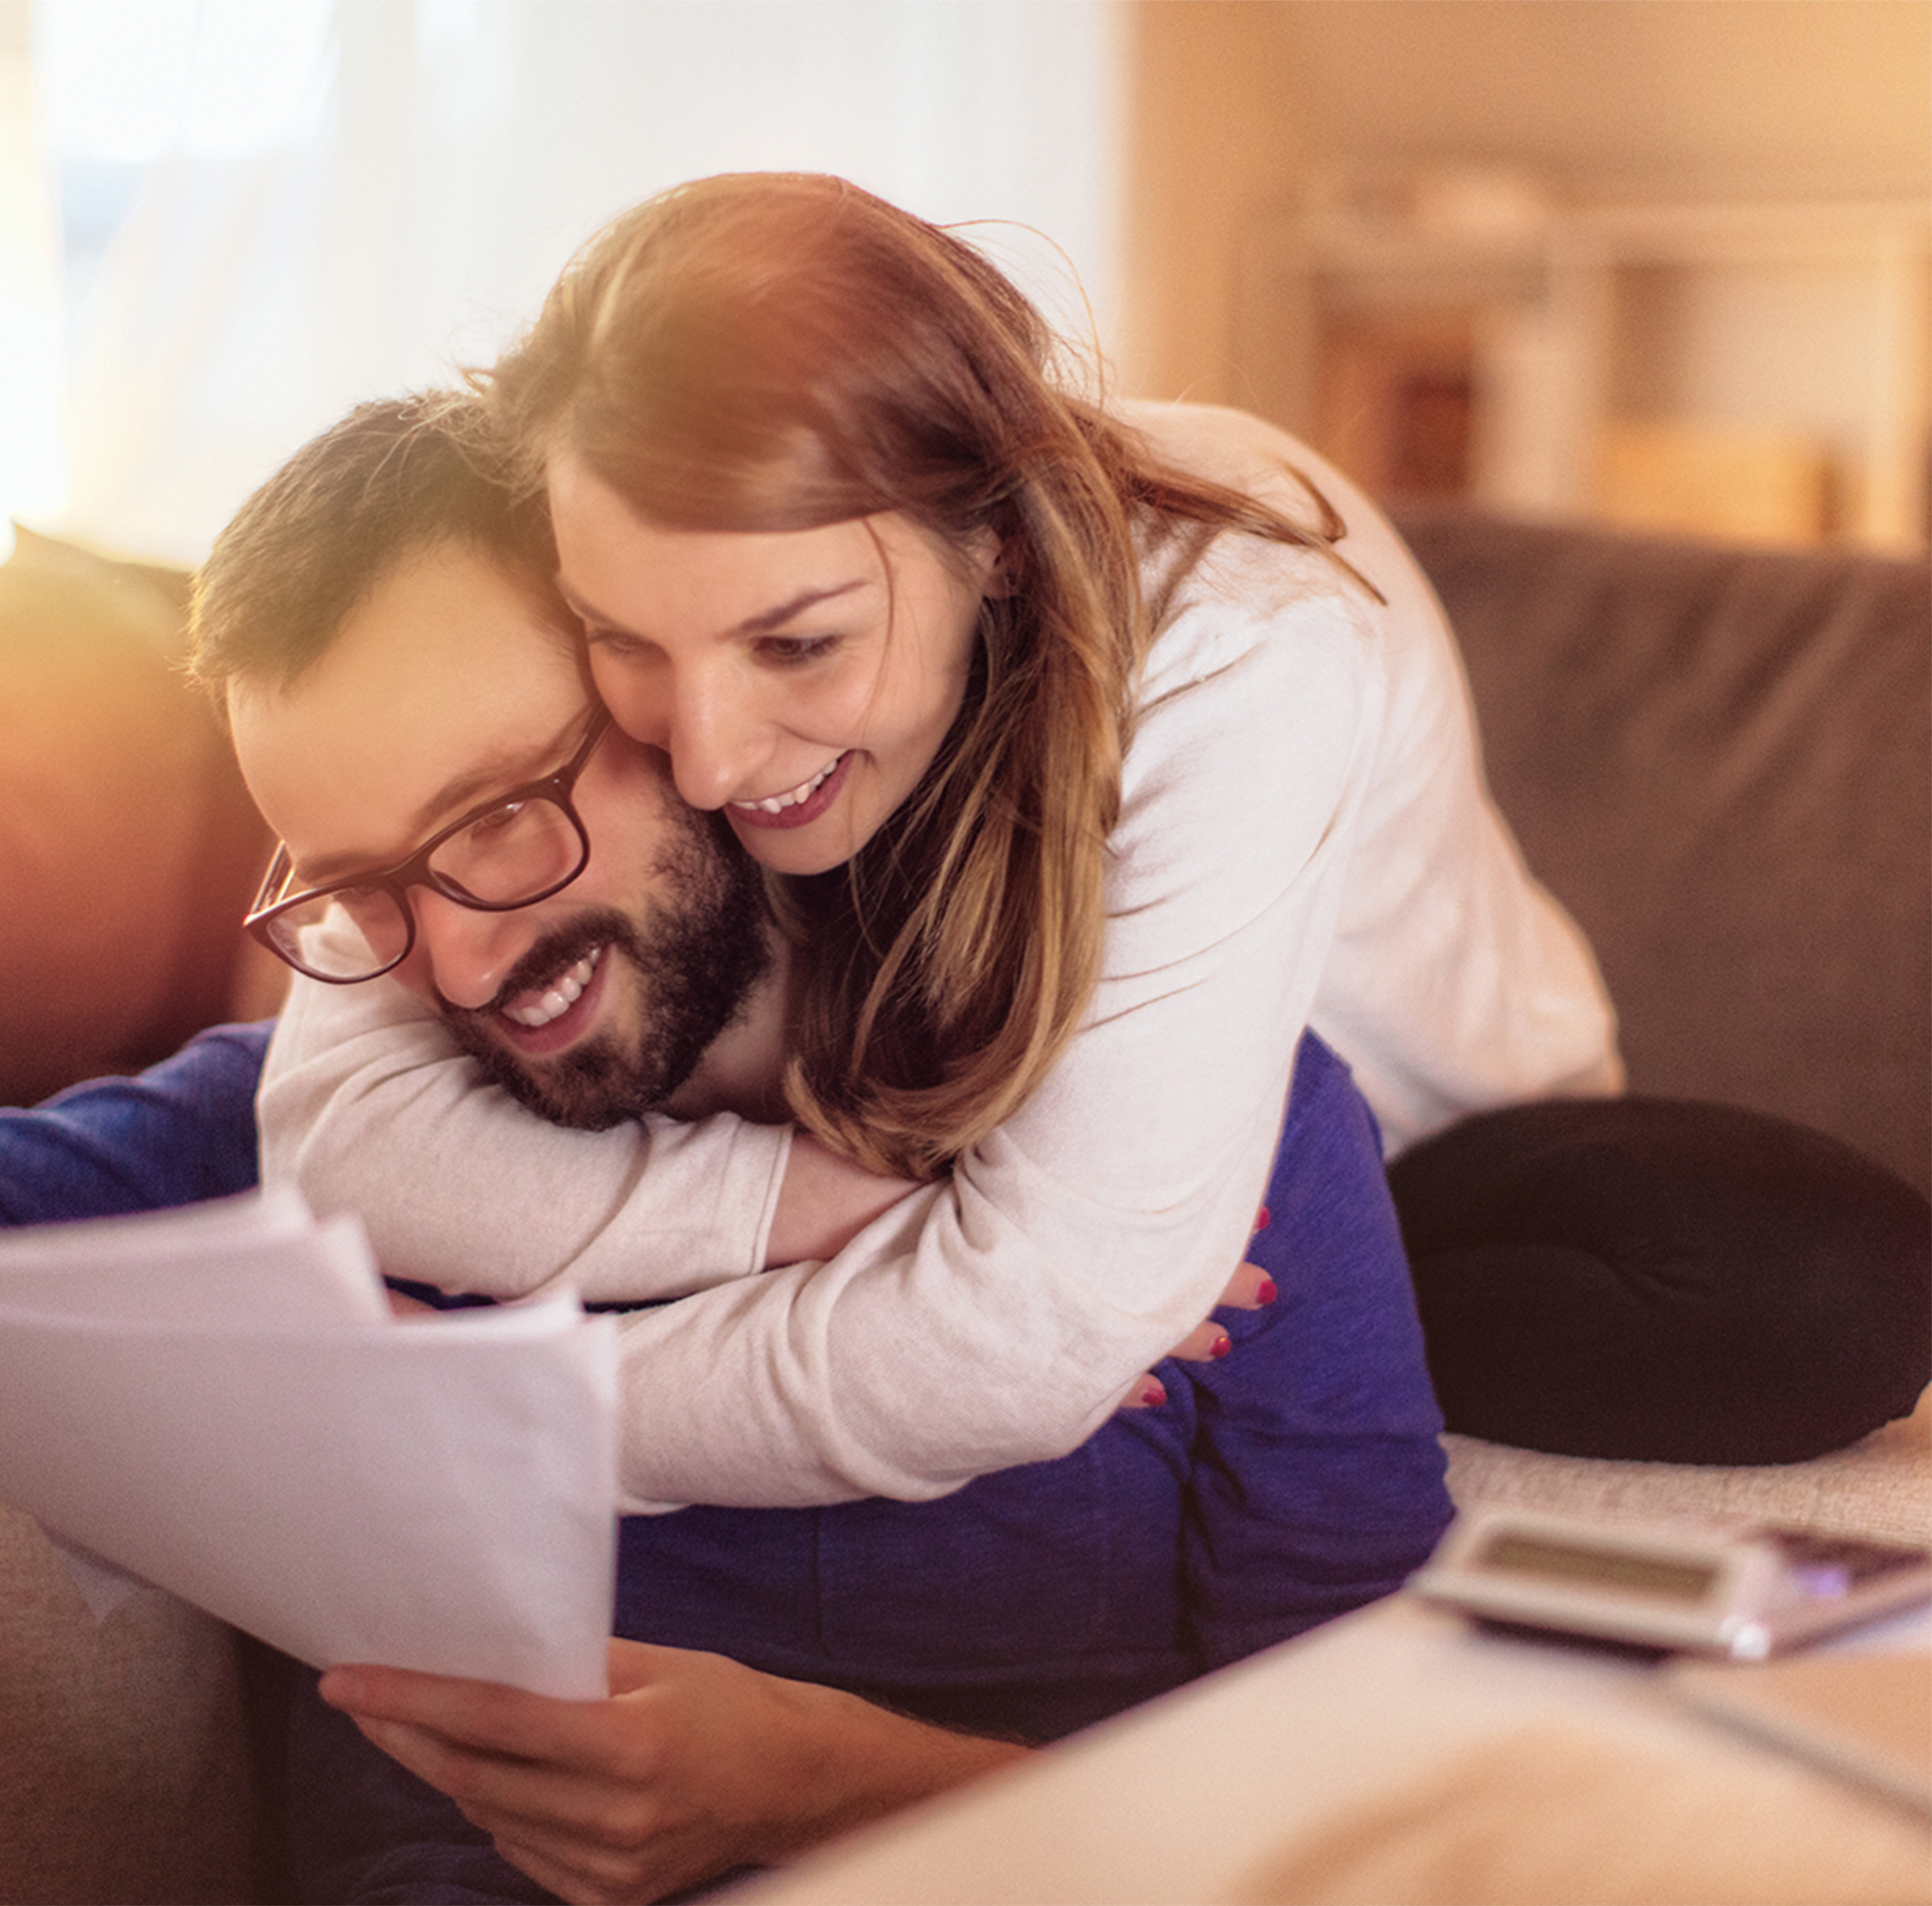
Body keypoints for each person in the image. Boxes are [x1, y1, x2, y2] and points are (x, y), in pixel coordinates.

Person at [0, 395, 1452, 1905]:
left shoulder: (1191, 1151)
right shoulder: (346, 1134)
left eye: (498, 818)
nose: (469, 959)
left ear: (676, 691)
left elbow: (1370, 1798)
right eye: (362, 886)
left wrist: (820, 1793)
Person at [257, 172, 1622, 1514]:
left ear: (1003, 545)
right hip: (970, 1127)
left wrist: (488, 1404)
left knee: (1783, 1282)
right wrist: (786, 1205)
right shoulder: (618, 523)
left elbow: (1026, 1335)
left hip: (1438, 1155)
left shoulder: (1243, 649)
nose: (708, 757)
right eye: (622, 641)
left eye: (800, 643)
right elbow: (340, 1124)